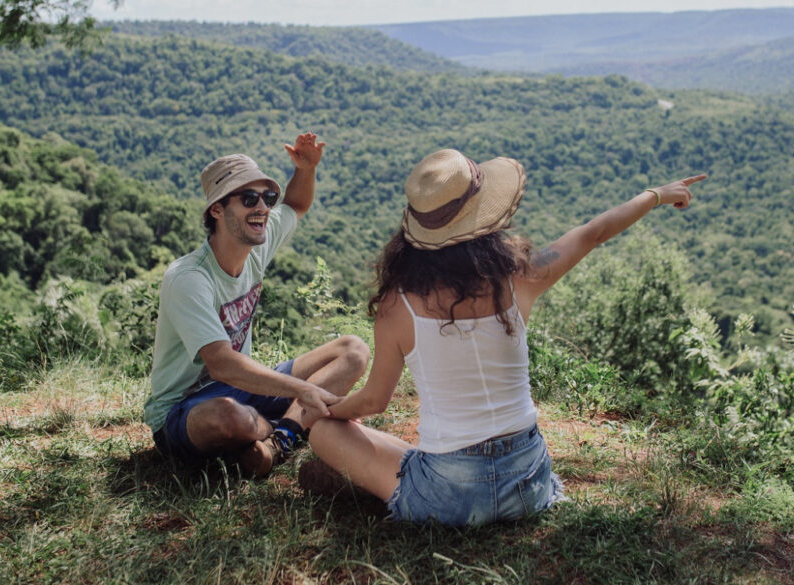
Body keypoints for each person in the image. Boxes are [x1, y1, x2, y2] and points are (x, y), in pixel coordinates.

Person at [301, 147, 705, 525]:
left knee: (325, 433)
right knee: (405, 452)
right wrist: (656, 195)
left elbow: (374, 400)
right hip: (528, 485)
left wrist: (327, 410)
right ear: (483, 217)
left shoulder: (397, 306)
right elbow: (593, 233)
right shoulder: (520, 276)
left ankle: (370, 489)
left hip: (449, 495)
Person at [143, 133, 369, 477]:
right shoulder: (188, 278)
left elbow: (296, 205)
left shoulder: (255, 246)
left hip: (245, 389)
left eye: (267, 197)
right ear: (217, 210)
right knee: (230, 416)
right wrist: (305, 390)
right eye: (249, 198)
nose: (262, 208)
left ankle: (279, 440)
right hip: (185, 410)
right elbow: (220, 364)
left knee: (353, 350)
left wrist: (306, 169)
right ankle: (290, 425)